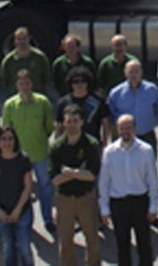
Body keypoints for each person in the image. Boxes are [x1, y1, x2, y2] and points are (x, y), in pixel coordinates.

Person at [98, 114, 158, 266]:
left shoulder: (146, 150)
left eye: (128, 128)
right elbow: (104, 182)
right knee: (122, 245)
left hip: (140, 201)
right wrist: (104, 208)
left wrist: (153, 206)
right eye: (122, 128)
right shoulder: (110, 152)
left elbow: (152, 181)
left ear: (134, 128)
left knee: (144, 245)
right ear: (117, 130)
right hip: (118, 203)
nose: (125, 131)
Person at [1, 70, 56, 234]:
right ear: (16, 85)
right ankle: (26, 220)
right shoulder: (10, 105)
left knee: (45, 187)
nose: (24, 86)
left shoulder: (42, 102)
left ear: (31, 84)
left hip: (40, 153)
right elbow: (7, 130)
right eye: (21, 83)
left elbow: (48, 127)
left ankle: (47, 219)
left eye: (27, 83)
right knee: (22, 189)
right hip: (19, 156)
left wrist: (40, 139)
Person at [50, 105, 103, 266]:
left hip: (86, 198)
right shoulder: (57, 146)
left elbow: (91, 175)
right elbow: (54, 179)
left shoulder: (91, 144)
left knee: (92, 238)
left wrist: (68, 172)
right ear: (63, 124)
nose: (72, 125)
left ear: (82, 122)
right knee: (65, 241)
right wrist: (79, 172)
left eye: (75, 121)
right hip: (64, 199)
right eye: (68, 121)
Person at [0, 126, 37, 266]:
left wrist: (18, 210)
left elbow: (28, 187)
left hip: (22, 213)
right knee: (8, 248)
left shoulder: (23, 159)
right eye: (3, 139)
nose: (7, 142)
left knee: (24, 248)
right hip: (2, 213)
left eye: (10, 139)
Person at [109, 58, 158, 149]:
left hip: (147, 135)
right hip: (124, 136)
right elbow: (111, 114)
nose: (134, 75)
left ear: (141, 72)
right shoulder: (116, 93)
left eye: (136, 71)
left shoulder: (152, 89)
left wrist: (152, 123)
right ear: (125, 73)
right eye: (130, 72)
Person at [55, 67, 113, 144]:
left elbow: (105, 124)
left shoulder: (98, 101)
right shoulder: (63, 102)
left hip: (92, 145)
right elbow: (59, 126)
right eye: (76, 82)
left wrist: (105, 145)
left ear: (88, 83)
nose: (79, 84)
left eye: (83, 81)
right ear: (71, 84)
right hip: (70, 145)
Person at [0, 27, 51, 104]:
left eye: (24, 38)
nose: (22, 42)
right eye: (19, 39)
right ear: (15, 41)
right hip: (17, 102)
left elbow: (46, 78)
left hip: (37, 101)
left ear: (29, 39)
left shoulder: (40, 57)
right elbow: (5, 81)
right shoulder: (8, 61)